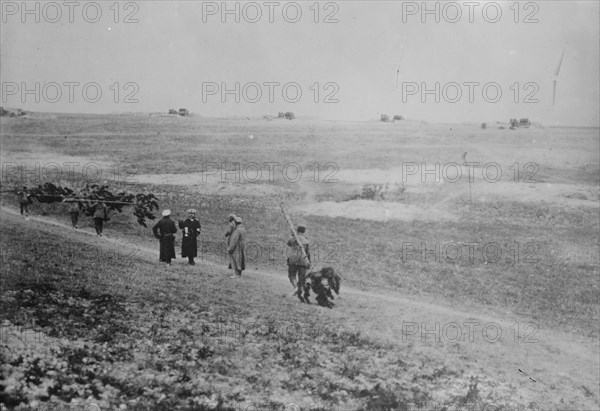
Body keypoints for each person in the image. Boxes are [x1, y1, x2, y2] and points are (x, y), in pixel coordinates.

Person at [287, 225, 311, 301]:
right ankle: (299, 291)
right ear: (304, 232)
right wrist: (309, 262)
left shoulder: (293, 239)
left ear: (297, 230)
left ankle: (296, 288)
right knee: (301, 278)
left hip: (293, 259)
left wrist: (293, 235)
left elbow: (289, 243)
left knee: (292, 275)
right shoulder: (306, 240)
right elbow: (308, 253)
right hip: (303, 260)